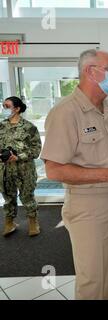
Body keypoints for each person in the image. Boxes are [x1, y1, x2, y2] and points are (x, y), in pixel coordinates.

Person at [41, 49, 108, 300]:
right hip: (89, 207)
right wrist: (107, 174)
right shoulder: (66, 112)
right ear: (90, 71)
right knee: (93, 280)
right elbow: (53, 170)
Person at [0, 96, 41, 237]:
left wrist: (19, 156)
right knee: (8, 197)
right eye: (3, 105)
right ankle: (9, 223)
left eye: (7, 106)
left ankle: (33, 223)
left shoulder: (29, 127)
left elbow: (36, 150)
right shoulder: (1, 126)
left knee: (27, 196)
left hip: (24, 169)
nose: (3, 108)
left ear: (17, 109)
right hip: (5, 170)